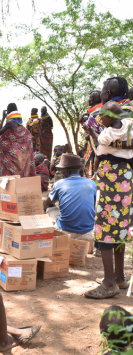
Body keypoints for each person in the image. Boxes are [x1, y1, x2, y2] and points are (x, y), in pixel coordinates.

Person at [83, 102, 133, 298]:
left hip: (111, 181)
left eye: (102, 117)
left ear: (109, 117)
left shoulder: (106, 134)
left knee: (104, 229)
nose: (100, 121)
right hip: (127, 180)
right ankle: (119, 277)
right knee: (120, 227)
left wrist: (93, 134)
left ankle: (109, 283)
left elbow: (100, 149)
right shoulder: (129, 127)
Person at [43, 154, 96, 250]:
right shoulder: (91, 184)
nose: (61, 173)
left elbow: (47, 203)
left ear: (67, 170)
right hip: (87, 232)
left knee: (49, 208)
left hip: (65, 231)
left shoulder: (59, 184)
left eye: (61, 170)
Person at [0, 103, 36, 177]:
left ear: (8, 111)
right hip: (21, 149)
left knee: (14, 164)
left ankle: (14, 178)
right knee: (21, 162)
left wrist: (3, 118)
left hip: (12, 149)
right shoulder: (19, 120)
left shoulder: (10, 122)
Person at [81, 90, 102, 178]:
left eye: (90, 99)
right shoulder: (93, 112)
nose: (89, 100)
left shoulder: (96, 113)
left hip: (98, 145)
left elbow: (90, 131)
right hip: (95, 144)